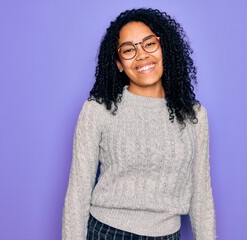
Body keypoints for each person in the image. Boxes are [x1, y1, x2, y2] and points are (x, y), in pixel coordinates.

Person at [62, 8, 216, 240]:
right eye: (128, 50)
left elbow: (201, 193)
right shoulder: (99, 109)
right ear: (119, 63)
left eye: (149, 44)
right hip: (107, 233)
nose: (141, 55)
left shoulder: (193, 115)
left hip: (168, 235)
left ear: (165, 48)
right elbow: (78, 192)